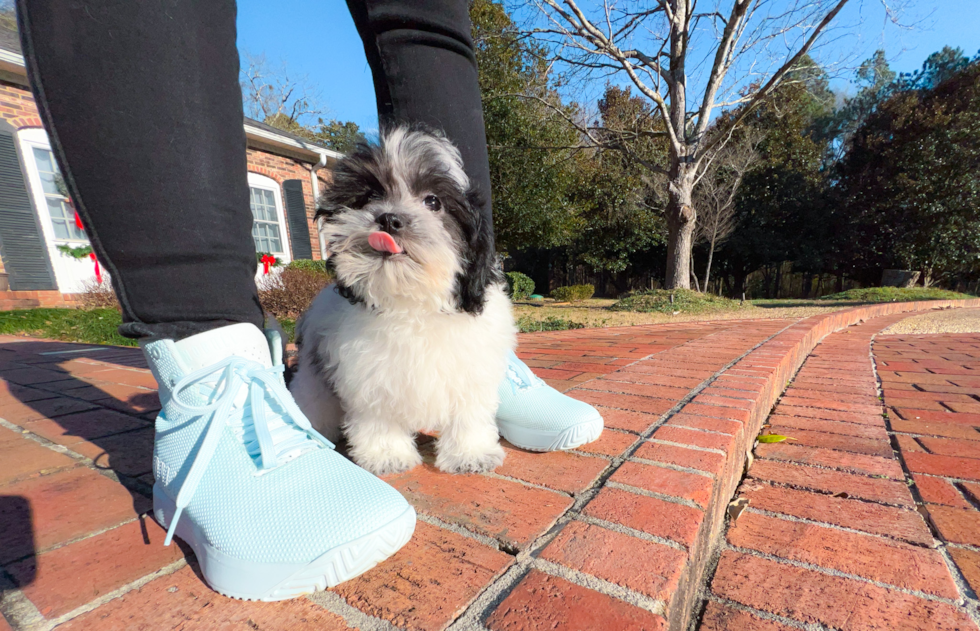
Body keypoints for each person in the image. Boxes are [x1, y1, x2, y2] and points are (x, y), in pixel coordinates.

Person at [16, 0, 602, 601]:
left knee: (427, 12)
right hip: (340, 364)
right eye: (373, 198)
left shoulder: (483, 288)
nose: (391, 217)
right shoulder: (342, 317)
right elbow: (360, 386)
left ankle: (476, 416)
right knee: (339, 402)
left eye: (430, 202)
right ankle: (211, 361)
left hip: (464, 307)